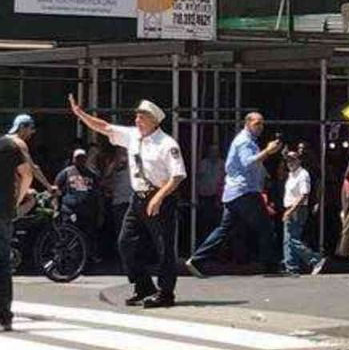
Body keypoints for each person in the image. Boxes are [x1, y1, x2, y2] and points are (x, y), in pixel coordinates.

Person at [69, 96, 185, 308]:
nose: (137, 120)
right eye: (137, 116)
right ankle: (143, 287)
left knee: (164, 247)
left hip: (160, 197)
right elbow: (104, 127)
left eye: (141, 117)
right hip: (137, 198)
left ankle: (166, 293)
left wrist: (159, 197)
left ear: (154, 120)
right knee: (126, 242)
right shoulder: (133, 136)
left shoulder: (167, 144)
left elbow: (177, 176)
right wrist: (81, 114)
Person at [186, 112, 283, 276]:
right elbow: (248, 163)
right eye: (257, 123)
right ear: (247, 123)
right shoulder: (245, 142)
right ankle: (271, 266)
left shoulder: (247, 140)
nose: (260, 127)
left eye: (262, 123)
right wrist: (268, 151)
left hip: (234, 193)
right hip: (245, 192)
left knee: (224, 229)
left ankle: (197, 260)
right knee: (266, 227)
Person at [0, 114, 37, 331]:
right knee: (3, 264)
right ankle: (5, 315)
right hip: (4, 210)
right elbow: (28, 175)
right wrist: (18, 199)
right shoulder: (9, 146)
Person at [279, 148, 326, 276]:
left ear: (299, 161)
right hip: (290, 207)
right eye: (288, 161)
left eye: (293, 160)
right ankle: (291, 266)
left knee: (292, 239)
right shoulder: (290, 175)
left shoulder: (303, 174)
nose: (290, 163)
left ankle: (315, 259)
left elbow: (304, 194)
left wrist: (291, 210)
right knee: (288, 239)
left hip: (297, 209)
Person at [53, 148, 101, 241]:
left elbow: (98, 194)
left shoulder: (92, 174)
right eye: (78, 158)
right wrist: (56, 208)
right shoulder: (66, 172)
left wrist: (100, 213)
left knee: (87, 238)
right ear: (73, 159)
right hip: (70, 211)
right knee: (69, 238)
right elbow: (56, 189)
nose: (80, 160)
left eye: (83, 158)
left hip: (88, 213)